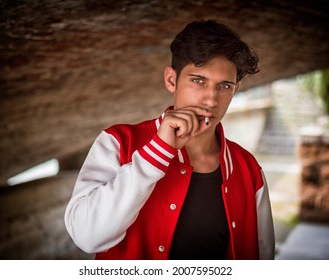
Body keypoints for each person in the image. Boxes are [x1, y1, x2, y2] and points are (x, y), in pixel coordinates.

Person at [64, 19, 275, 260]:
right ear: (171, 80)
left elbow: (263, 255)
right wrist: (157, 153)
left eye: (224, 86)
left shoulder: (249, 169)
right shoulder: (117, 142)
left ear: (235, 90)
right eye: (198, 80)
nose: (211, 100)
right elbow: (86, 237)